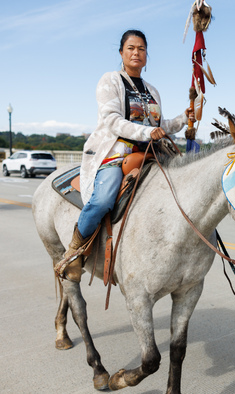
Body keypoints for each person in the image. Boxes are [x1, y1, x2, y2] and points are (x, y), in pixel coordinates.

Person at [55, 30, 194, 282]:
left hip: (150, 154)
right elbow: (112, 121)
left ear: (147, 55)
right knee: (103, 200)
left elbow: (160, 124)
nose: (136, 53)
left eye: (141, 49)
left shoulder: (152, 90)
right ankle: (74, 252)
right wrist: (148, 131)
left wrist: (185, 117)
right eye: (131, 48)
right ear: (121, 52)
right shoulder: (110, 80)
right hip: (116, 154)